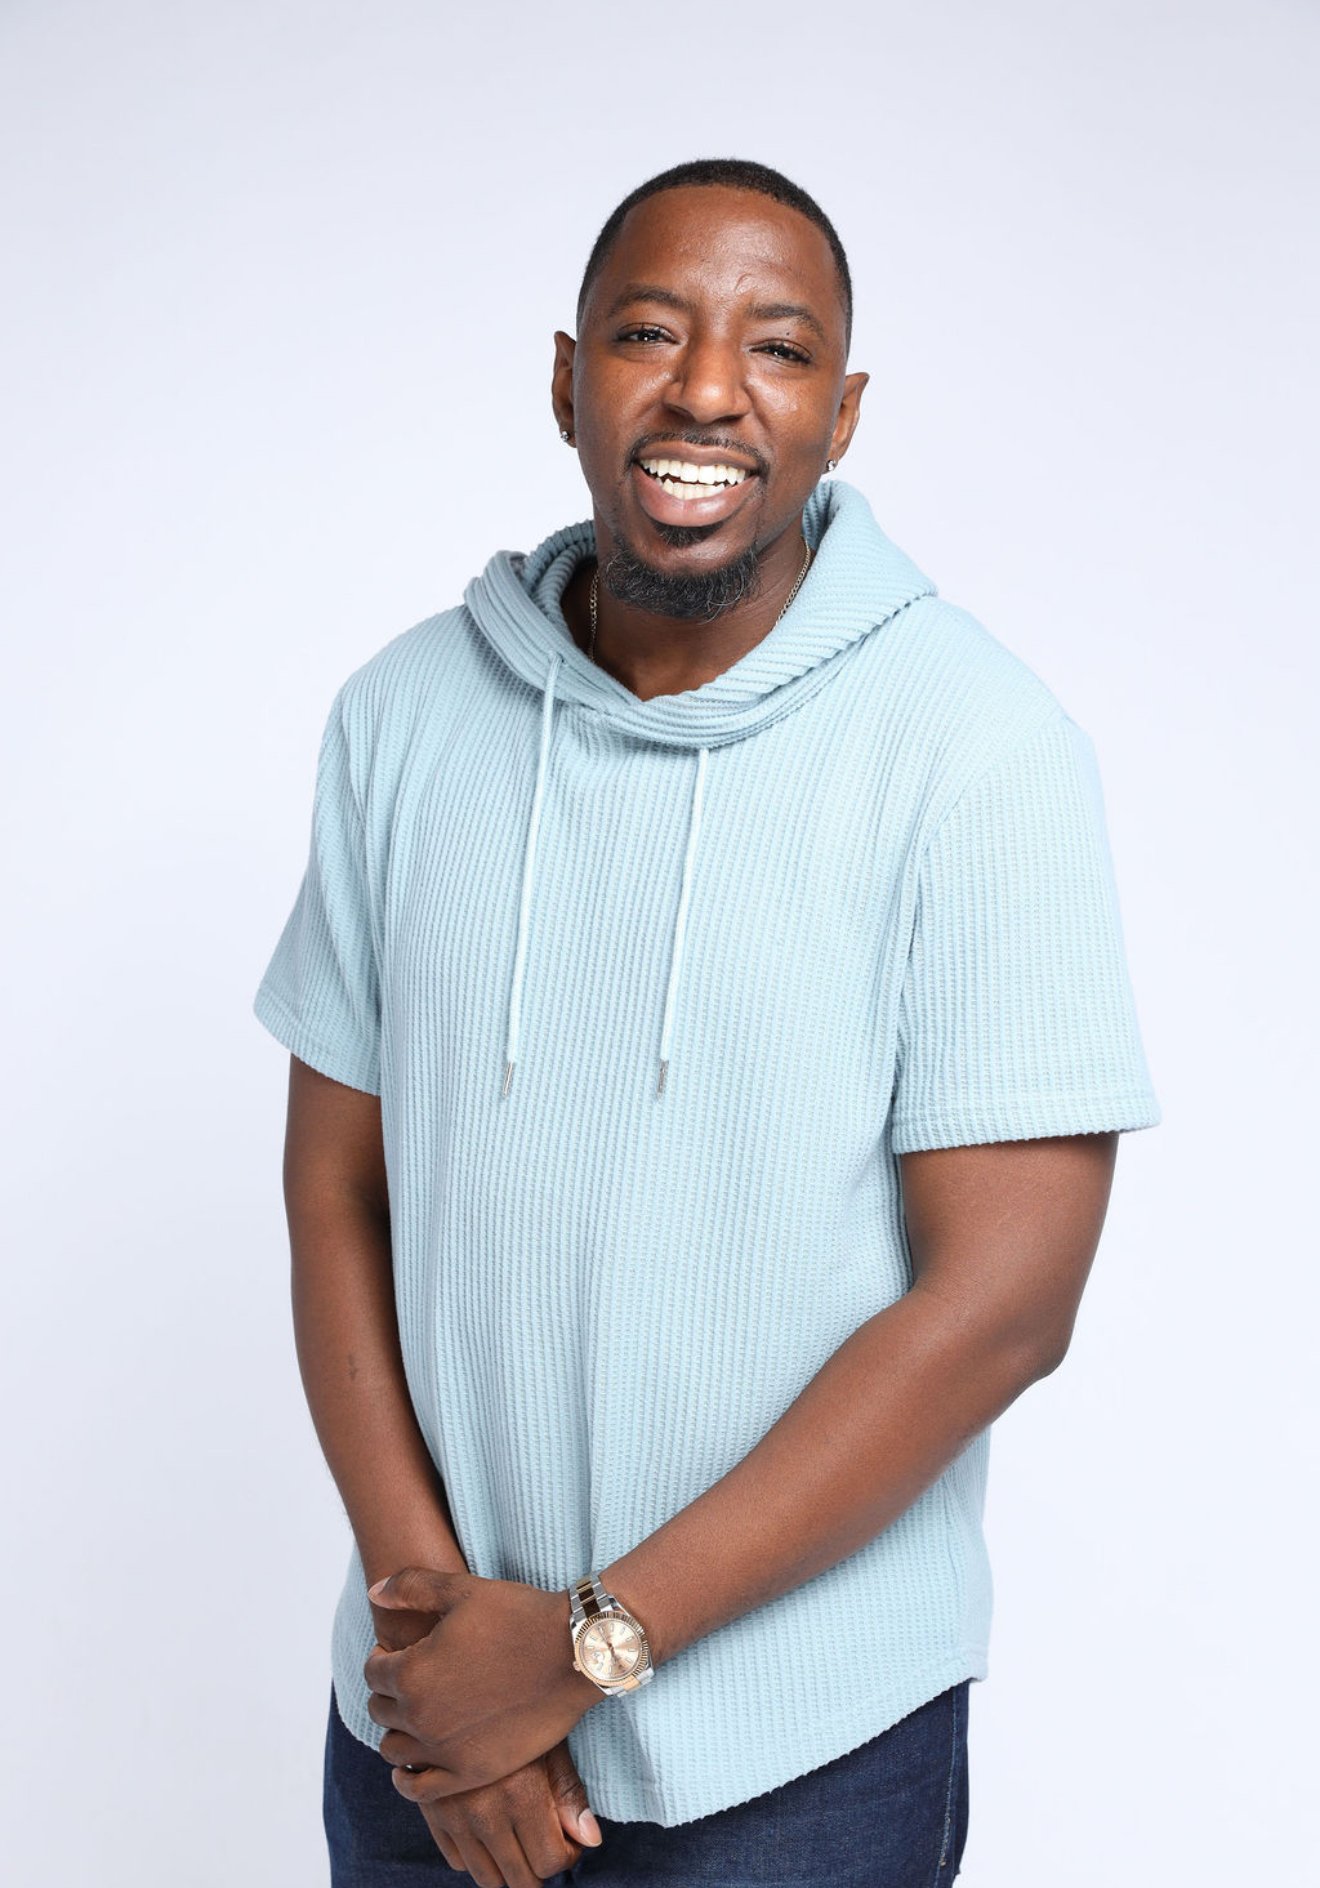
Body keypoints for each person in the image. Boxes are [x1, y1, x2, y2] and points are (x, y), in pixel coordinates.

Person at [253, 157, 1162, 1887]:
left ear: (843, 414)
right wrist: (445, 1662)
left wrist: (584, 1649)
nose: (709, 391)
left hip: (802, 1763)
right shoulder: (399, 718)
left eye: (780, 348)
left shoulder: (979, 750)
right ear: (566, 380)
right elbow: (336, 1194)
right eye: (650, 333)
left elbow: (1001, 1308)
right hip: (426, 1732)